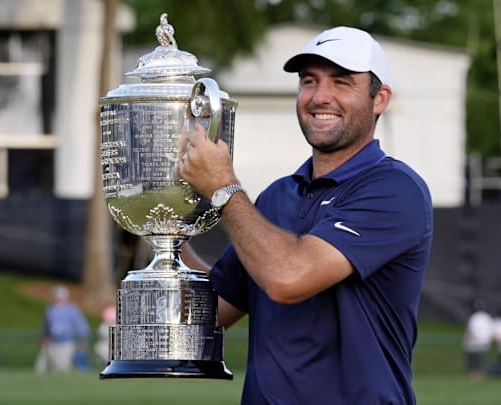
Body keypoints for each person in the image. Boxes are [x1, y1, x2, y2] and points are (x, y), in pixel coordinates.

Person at [179, 26, 433, 404]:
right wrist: (162, 232)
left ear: (379, 99)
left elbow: (289, 276)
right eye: (309, 81)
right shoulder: (277, 196)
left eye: (342, 82)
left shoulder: (396, 189)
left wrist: (223, 186)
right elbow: (208, 314)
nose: (320, 97)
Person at [36, 285, 90, 373]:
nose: (58, 300)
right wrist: (44, 336)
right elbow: (46, 325)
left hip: (66, 342)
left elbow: (81, 326)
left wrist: (82, 339)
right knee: (50, 365)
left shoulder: (72, 310)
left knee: (63, 365)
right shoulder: (50, 309)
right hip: (52, 342)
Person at [462, 299, 493, 380]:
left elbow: (472, 332)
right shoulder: (488, 317)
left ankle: (474, 376)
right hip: (485, 343)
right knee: (482, 363)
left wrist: (466, 338)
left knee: (474, 364)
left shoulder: (474, 317)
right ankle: (481, 376)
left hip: (474, 344)